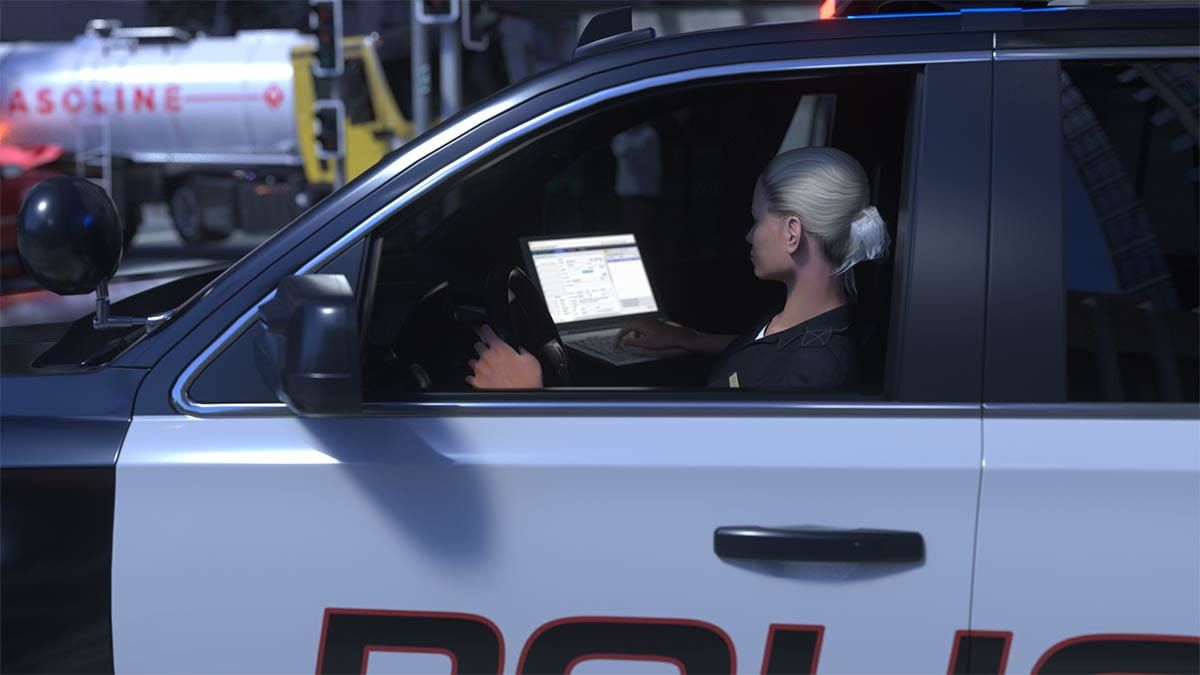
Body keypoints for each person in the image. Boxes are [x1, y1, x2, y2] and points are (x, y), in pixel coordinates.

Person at [466, 146, 891, 390]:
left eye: (757, 219)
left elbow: (697, 468)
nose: (749, 235)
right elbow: (769, 348)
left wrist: (532, 395)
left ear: (792, 232)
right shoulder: (809, 320)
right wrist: (692, 340)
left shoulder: (812, 373)